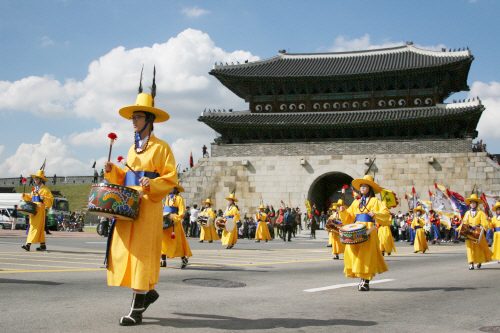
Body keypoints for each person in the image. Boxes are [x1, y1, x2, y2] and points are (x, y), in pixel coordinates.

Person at [103, 72, 178, 326]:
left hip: (149, 206)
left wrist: (152, 183)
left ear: (149, 119)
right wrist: (113, 170)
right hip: (129, 205)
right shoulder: (131, 148)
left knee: (142, 255)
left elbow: (171, 178)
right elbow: (127, 176)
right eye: (133, 116)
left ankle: (136, 310)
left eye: (137, 116)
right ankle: (149, 293)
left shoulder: (161, 147)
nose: (133, 120)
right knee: (127, 251)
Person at [338, 175, 391, 292]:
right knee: (351, 252)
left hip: (369, 230)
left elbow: (386, 214)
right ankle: (360, 276)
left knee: (366, 254)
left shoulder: (375, 201)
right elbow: (349, 217)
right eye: (361, 186)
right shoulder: (356, 202)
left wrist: (375, 214)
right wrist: (343, 212)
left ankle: (365, 280)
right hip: (356, 229)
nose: (362, 188)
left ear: (370, 188)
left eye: (365, 186)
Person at [21, 168, 54, 252]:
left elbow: (50, 200)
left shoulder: (46, 190)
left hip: (40, 211)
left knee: (34, 227)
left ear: (41, 179)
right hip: (33, 210)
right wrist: (25, 196)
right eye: (35, 178)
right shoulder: (35, 189)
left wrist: (43, 198)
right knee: (39, 228)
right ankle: (43, 246)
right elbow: (30, 197)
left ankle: (28, 245)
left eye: (37, 178)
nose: (35, 180)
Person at [161, 184, 192, 269]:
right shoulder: (166, 198)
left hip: (174, 222)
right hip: (165, 220)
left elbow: (182, 212)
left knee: (177, 242)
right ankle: (163, 260)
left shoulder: (179, 198)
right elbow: (164, 209)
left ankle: (184, 259)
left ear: (175, 189)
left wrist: (175, 218)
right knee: (163, 241)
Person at [460, 194, 492, 270]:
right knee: (469, 248)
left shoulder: (481, 213)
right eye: (471, 203)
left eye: (474, 203)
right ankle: (471, 263)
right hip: (469, 232)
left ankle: (479, 261)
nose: (472, 204)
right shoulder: (467, 213)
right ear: (470, 204)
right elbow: (464, 222)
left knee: (478, 248)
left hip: (477, 232)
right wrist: (460, 228)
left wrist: (481, 226)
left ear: (476, 204)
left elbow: (485, 223)